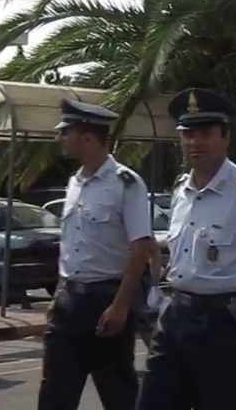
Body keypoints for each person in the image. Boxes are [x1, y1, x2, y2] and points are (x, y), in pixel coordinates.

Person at [137, 89, 236, 410]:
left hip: (225, 322)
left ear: (225, 136)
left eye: (205, 133)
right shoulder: (181, 190)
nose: (195, 142)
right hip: (177, 314)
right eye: (188, 134)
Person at [40, 99, 154, 410]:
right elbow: (72, 244)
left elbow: (140, 249)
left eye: (65, 132)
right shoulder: (74, 182)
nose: (60, 138)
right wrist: (58, 294)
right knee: (55, 395)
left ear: (88, 137)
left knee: (118, 394)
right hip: (68, 303)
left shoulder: (126, 183)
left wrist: (120, 306)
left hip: (106, 300)